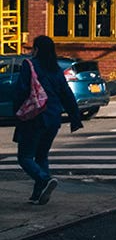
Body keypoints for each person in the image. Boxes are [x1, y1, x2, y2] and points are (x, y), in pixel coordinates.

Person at [12, 35, 84, 204]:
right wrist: (75, 117)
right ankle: (38, 194)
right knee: (41, 156)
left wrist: (17, 112)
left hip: (34, 117)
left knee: (25, 157)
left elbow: (21, 91)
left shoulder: (29, 65)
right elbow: (66, 93)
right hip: (53, 118)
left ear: (36, 49)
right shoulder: (56, 69)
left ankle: (44, 180)